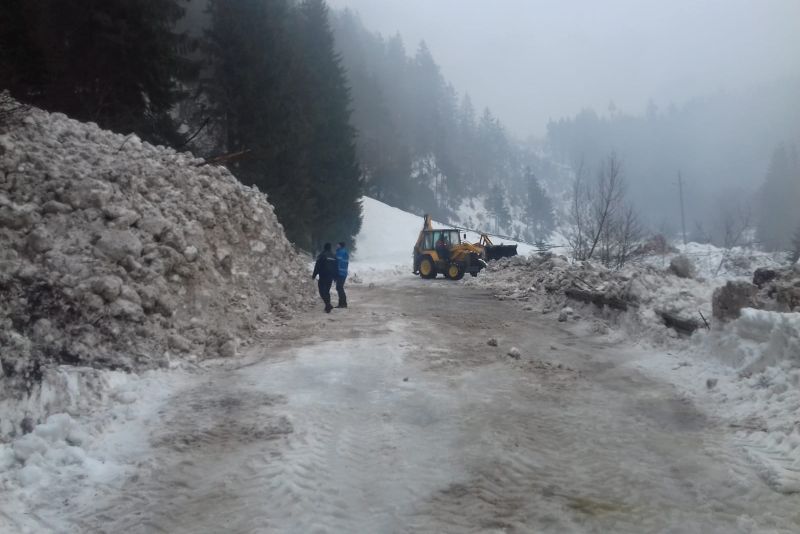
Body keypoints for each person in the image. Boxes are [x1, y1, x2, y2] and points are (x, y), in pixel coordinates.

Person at [312, 243, 338, 313]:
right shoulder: (334, 256)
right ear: (330, 248)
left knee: (321, 291)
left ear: (324, 247)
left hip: (323, 275)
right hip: (330, 276)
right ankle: (327, 306)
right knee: (327, 291)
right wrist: (335, 277)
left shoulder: (322, 255)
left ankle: (328, 304)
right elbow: (336, 267)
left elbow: (317, 266)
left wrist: (314, 275)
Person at [335, 241, 349, 308]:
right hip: (343, 272)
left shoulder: (340, 252)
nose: (336, 245)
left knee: (339, 288)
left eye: (337, 245)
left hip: (340, 273)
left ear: (340, 245)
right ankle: (342, 303)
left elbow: (337, 262)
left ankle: (343, 304)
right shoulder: (344, 252)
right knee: (339, 288)